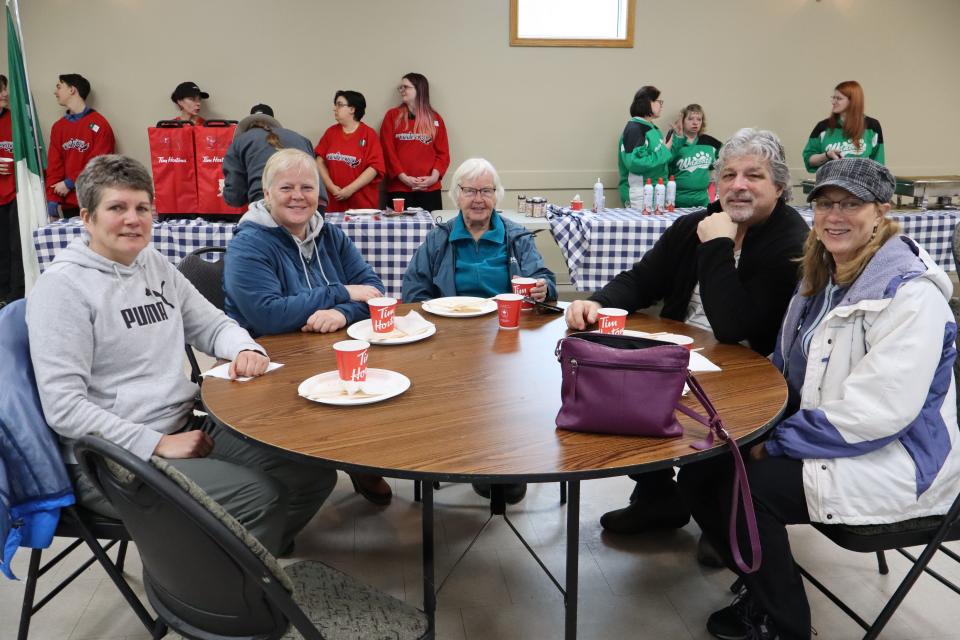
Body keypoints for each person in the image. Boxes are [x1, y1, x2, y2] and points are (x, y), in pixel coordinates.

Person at [680, 157, 960, 640]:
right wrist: (742, 415)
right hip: (839, 435)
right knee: (702, 468)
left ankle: (785, 625)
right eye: (826, 203)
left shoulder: (911, 294)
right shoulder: (824, 276)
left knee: (748, 487)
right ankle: (762, 587)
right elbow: (792, 368)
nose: (835, 215)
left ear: (882, 211)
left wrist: (778, 441)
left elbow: (879, 412)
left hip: (901, 458)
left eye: (851, 204)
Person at [27, 155, 334, 556]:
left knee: (312, 470)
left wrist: (243, 347)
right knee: (262, 496)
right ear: (86, 217)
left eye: (142, 208)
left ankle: (251, 557)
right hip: (109, 459)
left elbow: (212, 324)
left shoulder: (151, 263)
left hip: (180, 425)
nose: (133, 219)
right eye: (117, 208)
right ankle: (222, 597)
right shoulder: (63, 289)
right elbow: (64, 409)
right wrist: (155, 443)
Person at [567, 129, 809, 541]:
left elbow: (736, 328)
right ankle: (657, 497)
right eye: (729, 174)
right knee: (617, 383)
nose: (738, 186)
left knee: (708, 417)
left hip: (752, 373)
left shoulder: (791, 241)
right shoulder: (693, 224)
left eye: (754, 176)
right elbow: (643, 279)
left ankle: (724, 518)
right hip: (686, 355)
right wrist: (597, 301)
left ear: (780, 186)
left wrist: (717, 247)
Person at [223, 148, 392, 506]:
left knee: (385, 378)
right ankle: (320, 463)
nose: (298, 196)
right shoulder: (249, 244)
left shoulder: (329, 235)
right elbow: (268, 315)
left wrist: (342, 314)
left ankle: (358, 453)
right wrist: (341, 292)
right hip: (271, 360)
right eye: (286, 188)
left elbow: (374, 289)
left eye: (307, 187)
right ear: (266, 194)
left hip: (327, 348)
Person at [403, 157, 557, 505]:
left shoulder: (515, 237)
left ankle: (510, 462)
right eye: (470, 190)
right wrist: (435, 322)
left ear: (496, 196)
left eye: (486, 191)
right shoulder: (439, 239)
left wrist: (541, 288)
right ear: (456, 195)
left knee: (514, 392)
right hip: (449, 338)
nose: (478, 199)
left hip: (507, 335)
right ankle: (466, 455)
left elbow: (545, 280)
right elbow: (413, 291)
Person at [222, 104, 320, 207]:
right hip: (314, 205)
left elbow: (235, 197)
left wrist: (226, 191)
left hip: (268, 204)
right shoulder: (301, 138)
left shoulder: (240, 141)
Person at [46, 74, 115, 219]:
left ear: (72, 90)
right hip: (68, 204)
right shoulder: (58, 127)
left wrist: (70, 182)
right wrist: (52, 198)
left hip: (94, 201)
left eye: (59, 87)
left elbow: (99, 164)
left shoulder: (99, 124)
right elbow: (54, 165)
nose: (55, 92)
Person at [379, 73, 450, 212]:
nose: (402, 90)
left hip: (429, 188)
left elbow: (443, 153)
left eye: (406, 87)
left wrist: (433, 178)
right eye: (400, 87)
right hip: (399, 188)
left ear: (419, 89)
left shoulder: (435, 119)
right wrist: (403, 177)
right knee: (398, 231)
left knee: (431, 231)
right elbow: (388, 151)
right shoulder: (392, 116)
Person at [315, 90, 385, 213]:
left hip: (362, 204)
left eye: (339, 105)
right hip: (333, 203)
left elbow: (374, 168)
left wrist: (349, 190)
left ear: (352, 109)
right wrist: (331, 187)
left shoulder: (369, 134)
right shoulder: (331, 132)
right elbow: (319, 161)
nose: (334, 108)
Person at [802, 80, 884, 173]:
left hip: (860, 184)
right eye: (833, 97)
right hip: (829, 183)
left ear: (853, 101)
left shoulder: (872, 126)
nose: (833, 102)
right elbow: (809, 159)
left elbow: (879, 165)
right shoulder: (823, 127)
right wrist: (827, 155)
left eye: (838, 98)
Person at [617, 86, 673, 207]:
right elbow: (635, 162)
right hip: (640, 194)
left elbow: (661, 159)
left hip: (655, 192)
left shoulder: (652, 128)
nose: (661, 105)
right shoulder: (635, 129)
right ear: (648, 102)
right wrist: (664, 151)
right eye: (659, 101)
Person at [668, 104, 722, 208]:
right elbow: (663, 163)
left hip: (702, 200)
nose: (695, 122)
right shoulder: (673, 141)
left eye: (699, 119)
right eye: (690, 119)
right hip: (676, 200)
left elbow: (724, 159)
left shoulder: (710, 143)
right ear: (682, 121)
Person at [0, 74, 23, 305]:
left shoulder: (14, 120)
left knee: (16, 247)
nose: (5, 94)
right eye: (0, 90)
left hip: (15, 194)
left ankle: (15, 295)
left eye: (5, 88)